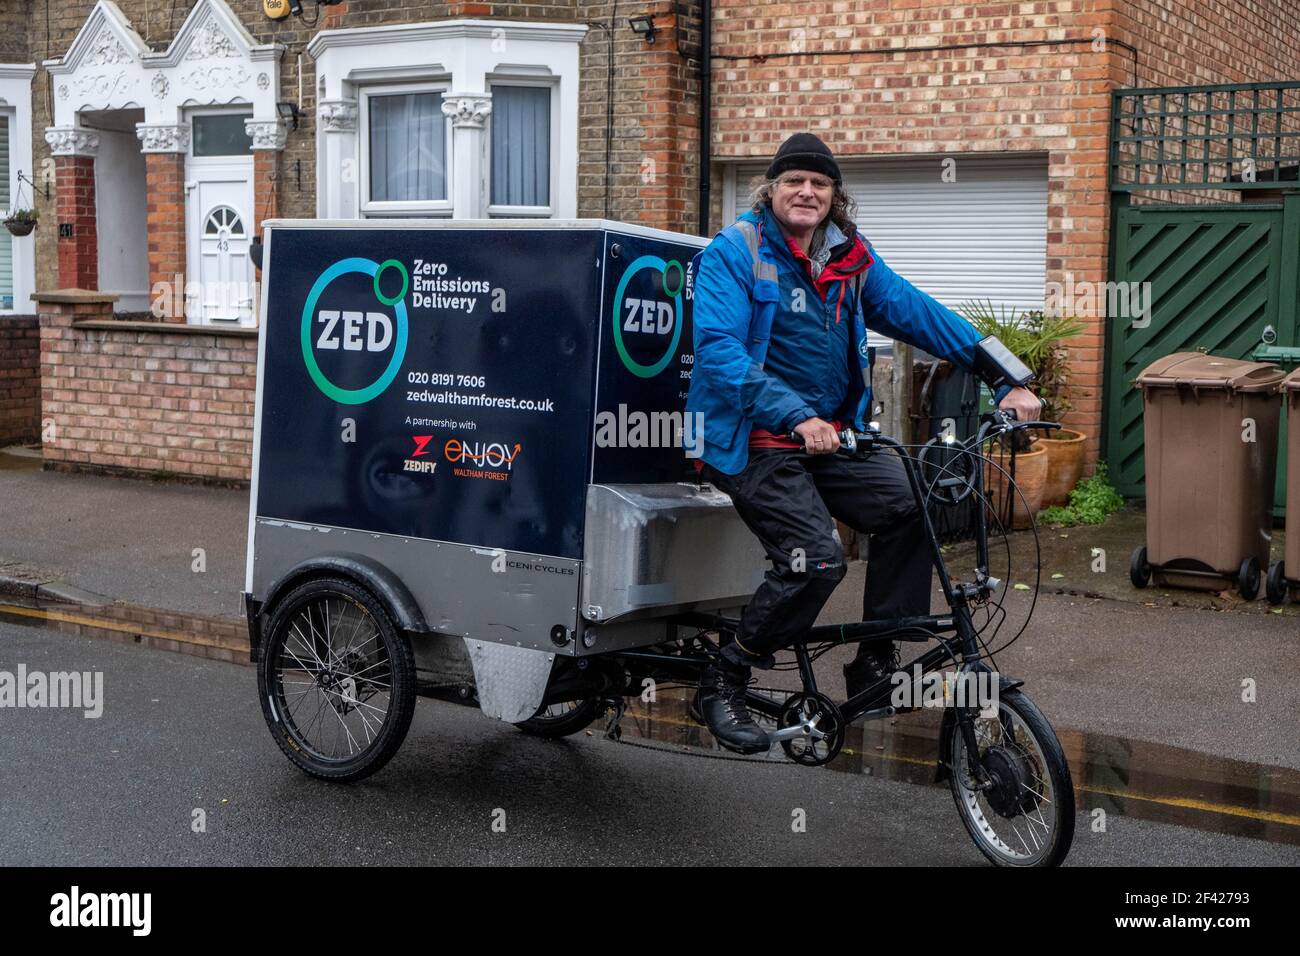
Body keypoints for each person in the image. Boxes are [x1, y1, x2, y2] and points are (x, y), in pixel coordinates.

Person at [687, 132, 1042, 754]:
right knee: (816, 559)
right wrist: (796, 415)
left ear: (834, 197)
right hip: (751, 438)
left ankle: (877, 654)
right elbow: (718, 352)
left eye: (819, 184)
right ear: (770, 190)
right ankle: (725, 678)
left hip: (828, 439)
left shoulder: (850, 257)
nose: (807, 192)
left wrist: (1007, 375)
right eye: (795, 180)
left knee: (916, 502)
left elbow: (918, 312)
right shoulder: (735, 253)